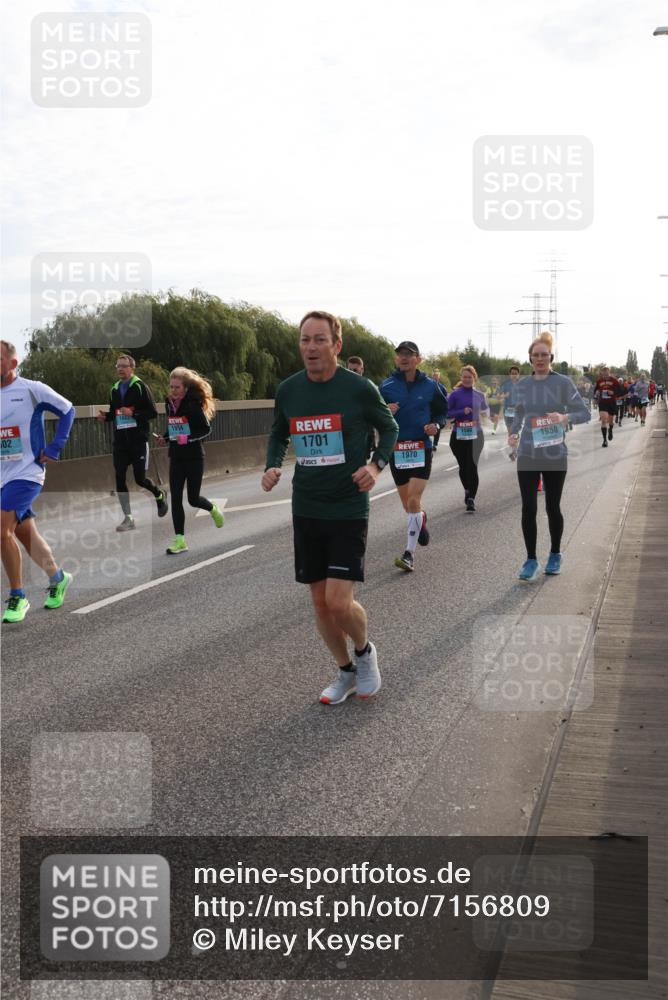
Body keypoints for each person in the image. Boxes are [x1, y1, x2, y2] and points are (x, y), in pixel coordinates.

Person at [261, 310, 398, 705]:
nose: (311, 347)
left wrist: (375, 466)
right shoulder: (289, 390)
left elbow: (389, 428)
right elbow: (277, 431)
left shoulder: (358, 389)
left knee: (339, 601)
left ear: (337, 346)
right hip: (307, 507)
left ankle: (364, 651)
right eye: (305, 340)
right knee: (319, 602)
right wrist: (272, 464)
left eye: (320, 339)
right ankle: (344, 672)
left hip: (347, 507)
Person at [1, 340, 75, 622]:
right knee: (24, 534)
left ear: (12, 363)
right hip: (1, 475)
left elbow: (67, 410)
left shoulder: (32, 389)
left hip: (26, 472)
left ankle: (18, 597)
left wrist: (56, 446)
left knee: (1, 531)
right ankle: (58, 578)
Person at [508, 332, 590, 581]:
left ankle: (555, 554)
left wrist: (565, 418)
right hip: (528, 453)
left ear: (551, 357)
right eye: (536, 355)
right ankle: (531, 558)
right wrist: (513, 433)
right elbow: (517, 414)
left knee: (552, 506)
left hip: (555, 454)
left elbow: (584, 413)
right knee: (528, 508)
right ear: (530, 359)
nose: (540, 359)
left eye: (544, 355)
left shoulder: (563, 383)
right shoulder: (522, 385)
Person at [379, 343, 448, 572]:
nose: (404, 358)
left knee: (413, 500)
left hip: (421, 448)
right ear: (396, 359)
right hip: (397, 450)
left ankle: (408, 554)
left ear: (418, 359)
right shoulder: (386, 386)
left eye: (409, 355)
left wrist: (436, 425)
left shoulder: (430, 386)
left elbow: (442, 411)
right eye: (400, 355)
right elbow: (372, 413)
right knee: (408, 506)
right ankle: (420, 519)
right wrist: (384, 411)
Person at [155, 367, 224, 554]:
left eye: (177, 387)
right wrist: (165, 437)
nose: (173, 390)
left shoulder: (193, 405)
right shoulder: (169, 404)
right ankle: (180, 541)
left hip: (194, 457)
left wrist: (188, 438)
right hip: (176, 457)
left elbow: (205, 429)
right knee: (176, 499)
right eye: (171, 387)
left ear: (185, 388)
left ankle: (213, 509)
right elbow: (174, 427)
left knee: (193, 499)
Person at [97, 354, 168, 530]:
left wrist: (134, 414)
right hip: (121, 442)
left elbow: (152, 413)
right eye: (118, 366)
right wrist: (106, 417)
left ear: (132, 368)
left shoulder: (140, 387)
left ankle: (159, 495)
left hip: (138, 440)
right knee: (119, 478)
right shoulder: (114, 389)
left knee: (140, 479)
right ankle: (128, 518)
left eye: (124, 366)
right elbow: (115, 413)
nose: (120, 369)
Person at [447, 365, 489, 512]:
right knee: (463, 467)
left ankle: (471, 498)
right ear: (461, 378)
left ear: (474, 378)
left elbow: (485, 410)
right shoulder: (454, 395)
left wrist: (487, 414)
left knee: (472, 466)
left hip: (476, 435)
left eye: (469, 377)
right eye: (464, 377)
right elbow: (447, 413)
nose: (466, 379)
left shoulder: (479, 395)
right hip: (458, 436)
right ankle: (466, 489)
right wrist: (461, 411)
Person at [593, 365, 618, 447]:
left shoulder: (614, 380)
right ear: (602, 374)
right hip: (603, 403)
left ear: (609, 373)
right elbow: (596, 390)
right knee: (604, 420)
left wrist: (613, 392)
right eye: (604, 375)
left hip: (611, 403)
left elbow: (619, 390)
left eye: (607, 375)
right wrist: (596, 395)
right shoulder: (599, 381)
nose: (605, 376)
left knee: (610, 421)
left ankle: (610, 429)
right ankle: (604, 440)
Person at [431, 369, 446, 452]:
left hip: (438, 412)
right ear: (432, 377)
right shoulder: (427, 386)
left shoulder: (442, 387)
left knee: (437, 427)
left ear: (439, 378)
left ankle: (435, 444)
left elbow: (446, 400)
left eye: (437, 376)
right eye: (434, 376)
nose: (435, 378)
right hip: (428, 411)